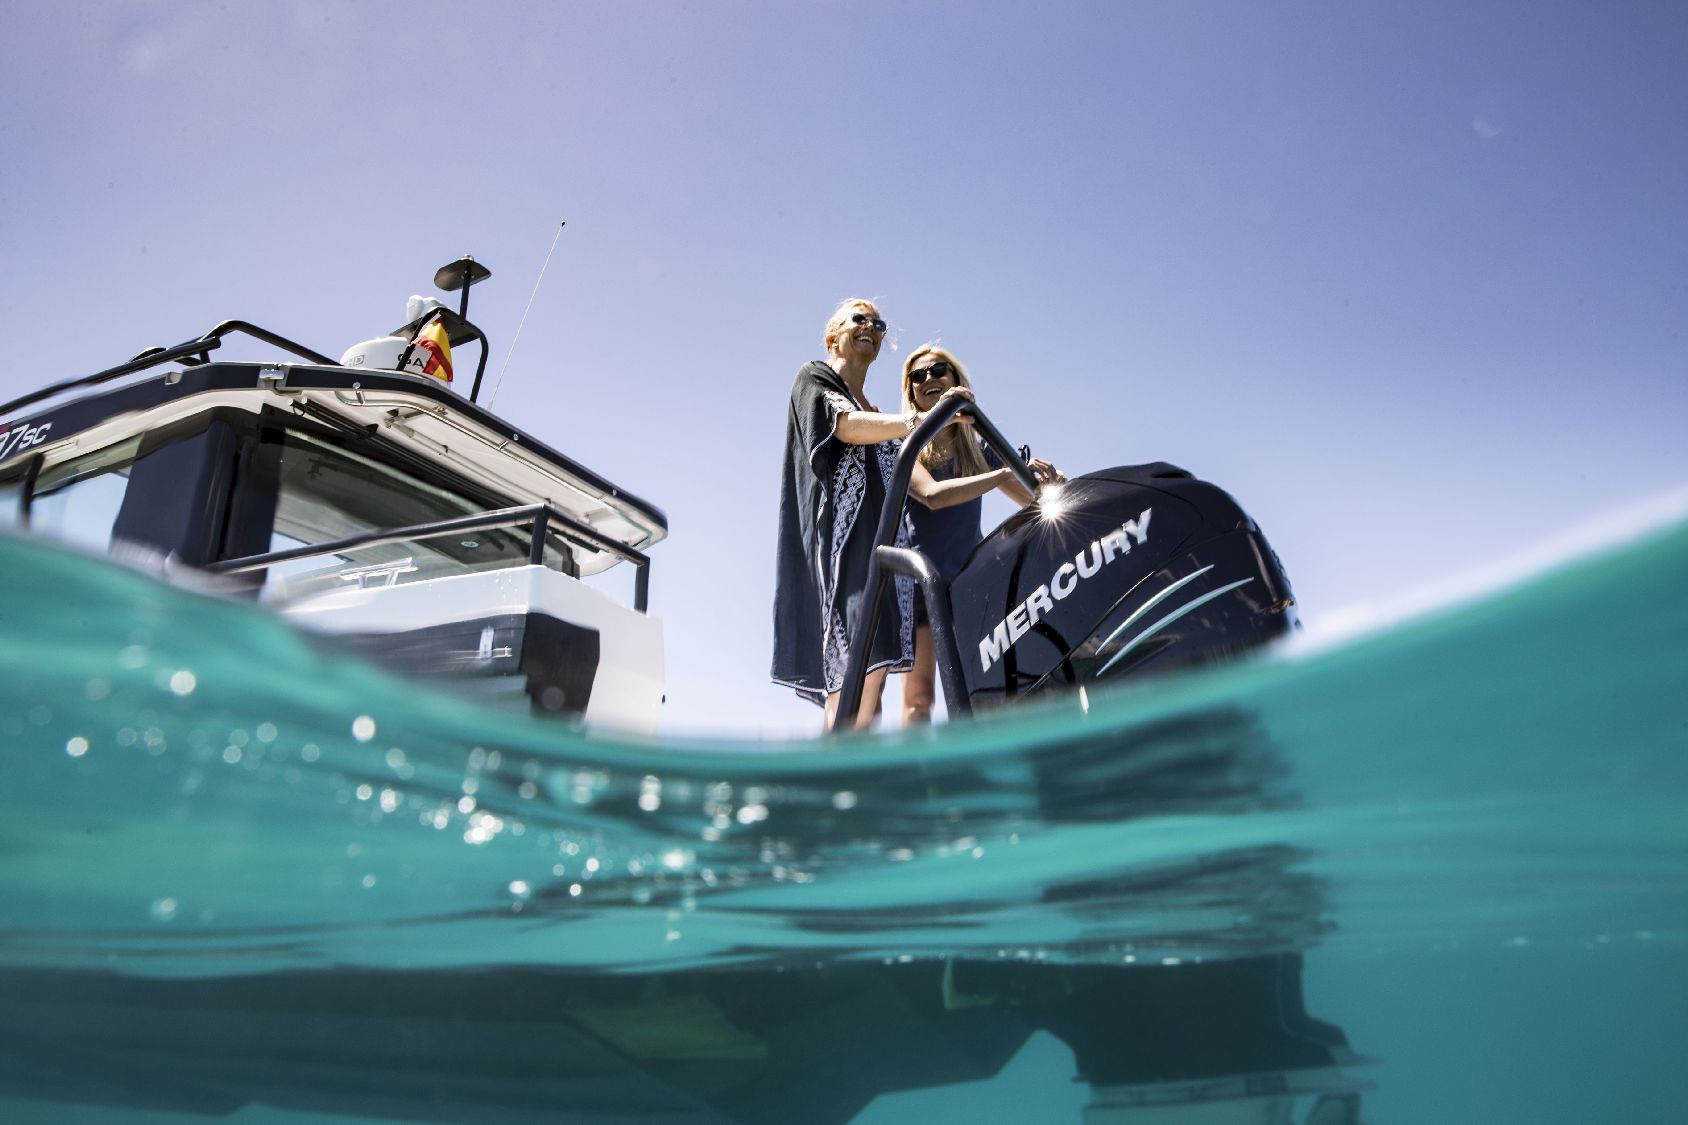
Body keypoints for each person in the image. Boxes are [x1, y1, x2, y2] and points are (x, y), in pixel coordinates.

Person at [771, 300, 1008, 732]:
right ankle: (835, 772)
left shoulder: (882, 417)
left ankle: (863, 772)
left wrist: (1020, 473)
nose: (870, 326)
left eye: (877, 323)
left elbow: (924, 487)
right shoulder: (815, 377)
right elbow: (844, 426)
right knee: (855, 690)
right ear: (831, 336)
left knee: (872, 687)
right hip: (843, 559)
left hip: (883, 565)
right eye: (858, 318)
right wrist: (923, 420)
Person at [898, 345, 1062, 725]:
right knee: (919, 698)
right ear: (911, 393)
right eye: (917, 376)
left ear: (955, 380)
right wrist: (1001, 474)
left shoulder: (978, 449)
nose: (928, 379)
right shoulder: (906, 448)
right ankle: (916, 764)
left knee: (988, 684)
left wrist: (1052, 482)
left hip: (971, 584)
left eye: (938, 370)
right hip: (923, 586)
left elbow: (1032, 498)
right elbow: (932, 495)